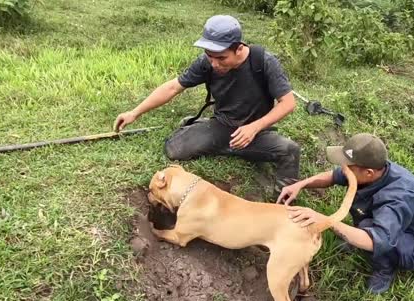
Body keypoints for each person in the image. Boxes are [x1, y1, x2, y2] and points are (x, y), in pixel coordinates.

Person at [114, 15, 300, 194]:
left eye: (221, 58)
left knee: (290, 150)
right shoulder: (207, 62)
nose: (214, 63)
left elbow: (288, 103)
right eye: (210, 56)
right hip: (223, 124)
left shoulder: (264, 62)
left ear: (238, 48)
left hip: (257, 132)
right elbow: (172, 87)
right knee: (174, 149)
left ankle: (283, 206)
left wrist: (254, 127)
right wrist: (134, 112)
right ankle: (219, 139)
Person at [277, 133, 414, 294]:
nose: (343, 169)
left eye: (348, 167)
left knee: (369, 231)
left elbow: (376, 241)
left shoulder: (396, 200)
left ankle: (384, 270)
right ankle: (356, 237)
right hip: (394, 222)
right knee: (365, 225)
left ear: (369, 172)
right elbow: (334, 176)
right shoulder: (372, 170)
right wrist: (300, 185)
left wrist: (327, 221)